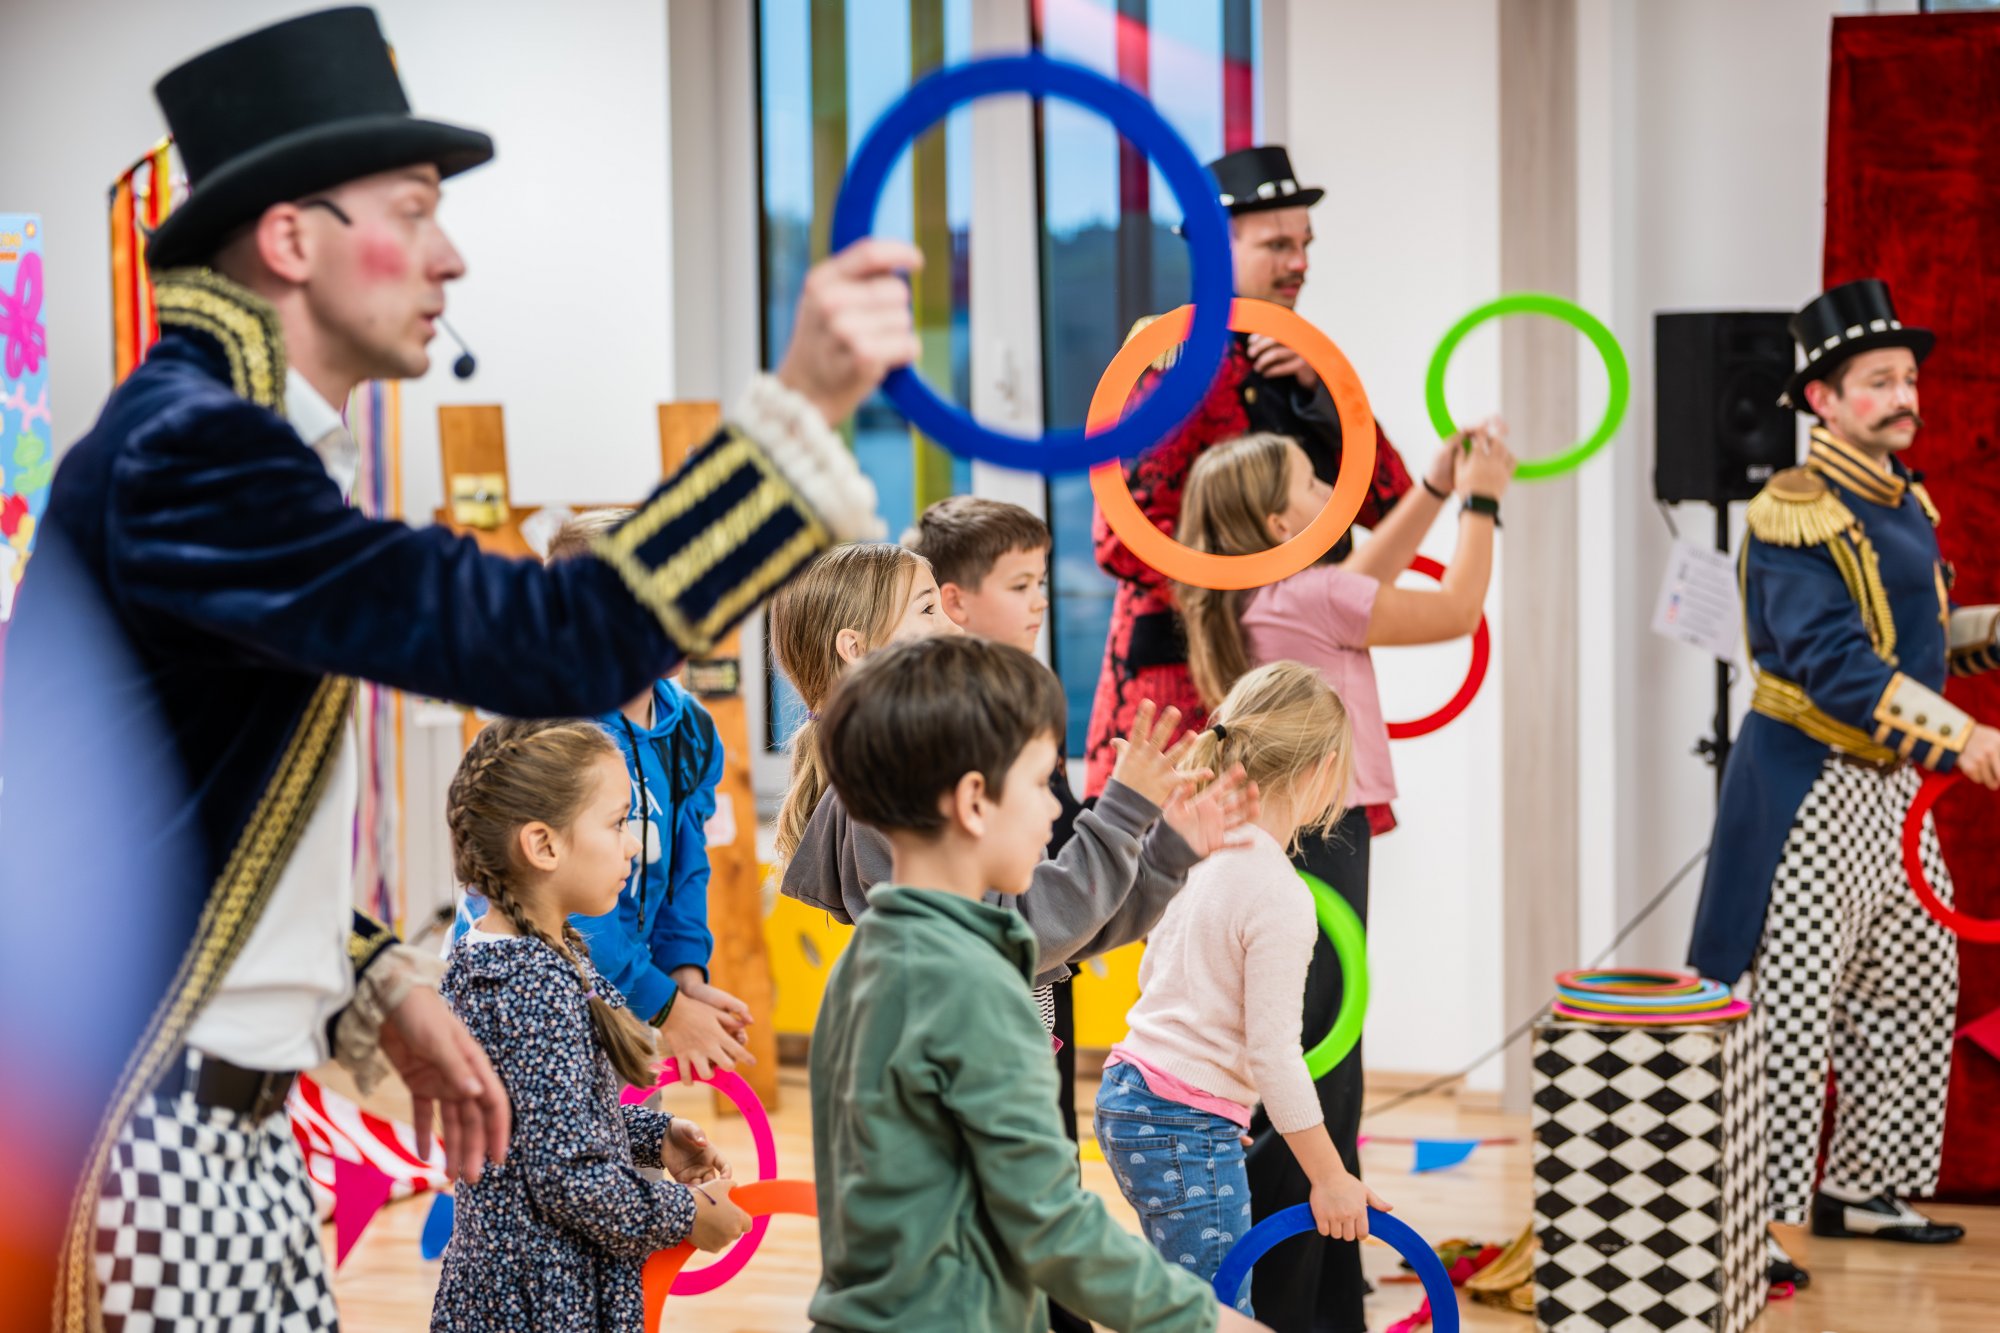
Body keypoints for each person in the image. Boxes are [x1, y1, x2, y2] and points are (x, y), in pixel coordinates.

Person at [0, 9, 917, 1328]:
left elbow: (199, 813)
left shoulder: (214, 441)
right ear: (291, 238)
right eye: (416, 210)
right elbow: (552, 640)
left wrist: (378, 984)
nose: (452, 255)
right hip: (147, 1143)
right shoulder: (196, 453)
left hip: (223, 1130)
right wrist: (793, 418)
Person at [804, 634, 1266, 1333]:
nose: (1055, 811)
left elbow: (1051, 930)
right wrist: (1211, 1321)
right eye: (1041, 783)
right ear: (974, 801)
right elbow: (1053, 1229)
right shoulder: (973, 984)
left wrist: (1163, 855)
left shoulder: (878, 953)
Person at [1685, 279, 2000, 1287]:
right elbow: (1839, 670)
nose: (1903, 396)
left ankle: (1862, 1183)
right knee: (1790, 1005)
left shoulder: (1901, 498)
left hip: (1890, 789)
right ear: (1821, 398)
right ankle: (1753, 1219)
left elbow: (1909, 643)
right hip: (1809, 783)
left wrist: (1990, 634)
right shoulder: (1796, 511)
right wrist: (1962, 736)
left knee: (1913, 981)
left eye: (1907, 378)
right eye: (1878, 381)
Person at [1171, 427, 1509, 1329]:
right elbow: (1457, 610)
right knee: (1318, 1071)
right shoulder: (1314, 595)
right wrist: (1483, 496)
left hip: (1304, 833)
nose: (1333, 487)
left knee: (1323, 1064)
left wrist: (1432, 486)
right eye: (1314, 481)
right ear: (1280, 523)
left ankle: (1327, 1296)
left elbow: (1364, 571)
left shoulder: (1270, 594)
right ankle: (1294, 1308)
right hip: (1322, 837)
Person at [773, 544, 1255, 1033]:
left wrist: (1166, 854)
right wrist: (1124, 812)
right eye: (927, 609)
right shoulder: (888, 786)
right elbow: (1028, 931)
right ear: (856, 649)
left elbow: (1065, 928)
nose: (955, 628)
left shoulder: (914, 774)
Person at [1086, 145, 1415, 802]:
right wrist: (1275, 600)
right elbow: (1122, 540)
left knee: (1315, 860)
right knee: (1183, 865)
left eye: (1305, 244)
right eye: (1278, 245)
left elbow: (1394, 509)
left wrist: (1324, 396)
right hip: (1185, 692)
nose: (1300, 263)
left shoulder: (1308, 364)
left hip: (1297, 684)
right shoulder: (1171, 366)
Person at [432, 719, 751, 1331]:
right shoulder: (535, 987)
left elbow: (539, 1131)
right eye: (617, 823)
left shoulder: (517, 959)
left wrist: (654, 1136)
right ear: (544, 846)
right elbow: (569, 1180)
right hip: (545, 1305)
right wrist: (688, 1214)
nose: (633, 845)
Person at [1098, 661, 1391, 1317]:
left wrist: (1216, 1105)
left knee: (1183, 1301)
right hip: (1178, 1120)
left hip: (1128, 1094)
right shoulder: (1280, 893)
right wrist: (1331, 1177)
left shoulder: (1197, 851)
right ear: (1321, 772)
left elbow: (1158, 979)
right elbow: (1275, 1055)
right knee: (1219, 1314)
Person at [452, 510, 752, 1085]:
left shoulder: (692, 730)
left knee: (623, 1122)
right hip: (536, 981)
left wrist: (683, 976)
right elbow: (563, 899)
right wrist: (665, 1005)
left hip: (628, 985)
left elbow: (687, 867)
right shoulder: (550, 730)